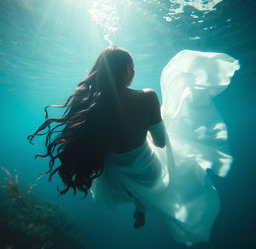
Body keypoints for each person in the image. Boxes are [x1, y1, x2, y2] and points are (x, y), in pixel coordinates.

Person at [28, 46, 240, 246]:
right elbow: (160, 142)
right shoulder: (147, 97)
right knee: (157, 179)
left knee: (132, 188)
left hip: (111, 174)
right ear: (128, 69)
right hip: (146, 168)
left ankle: (139, 205)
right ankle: (141, 208)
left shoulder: (89, 103)